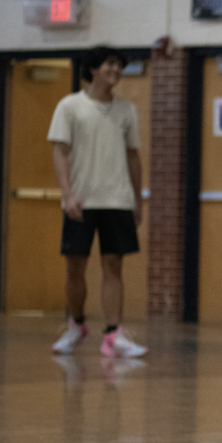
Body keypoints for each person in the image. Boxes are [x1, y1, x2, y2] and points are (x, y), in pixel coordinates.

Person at [49, 46, 148, 359]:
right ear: (92, 69)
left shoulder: (126, 110)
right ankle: (75, 325)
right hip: (82, 199)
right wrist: (67, 193)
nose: (115, 70)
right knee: (75, 266)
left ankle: (113, 334)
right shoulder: (70, 106)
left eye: (119, 65)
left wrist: (137, 198)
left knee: (113, 266)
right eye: (110, 64)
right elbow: (60, 152)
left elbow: (134, 157)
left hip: (117, 200)